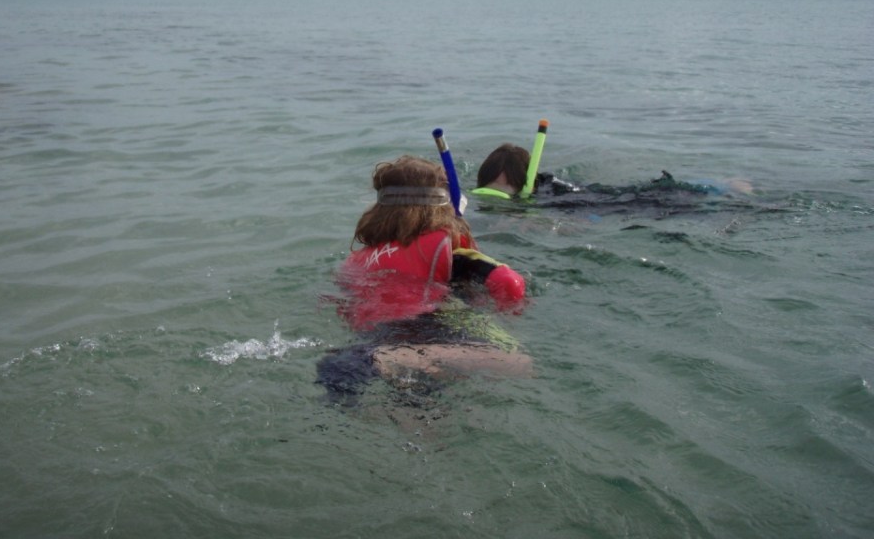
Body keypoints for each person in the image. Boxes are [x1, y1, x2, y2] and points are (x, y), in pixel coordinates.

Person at [317, 156, 532, 404]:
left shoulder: (358, 259)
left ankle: (391, 360)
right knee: (521, 363)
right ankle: (394, 357)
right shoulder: (445, 250)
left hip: (371, 337)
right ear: (442, 207)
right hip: (426, 332)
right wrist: (507, 312)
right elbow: (510, 283)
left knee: (425, 422)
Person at [472, 143, 753, 213]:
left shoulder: (547, 194)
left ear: (525, 184)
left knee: (662, 201)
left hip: (605, 202)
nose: (497, 194)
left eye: (504, 187)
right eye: (489, 187)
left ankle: (724, 187)